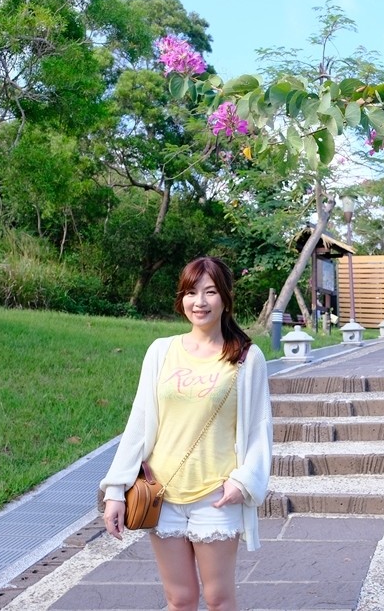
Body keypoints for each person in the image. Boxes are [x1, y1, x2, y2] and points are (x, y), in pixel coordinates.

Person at [100, 256, 272, 611]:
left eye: (210, 292)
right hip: (161, 495)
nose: (200, 301)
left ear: (225, 298)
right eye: (192, 292)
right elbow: (140, 422)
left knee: (218, 599)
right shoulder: (162, 351)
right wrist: (116, 489)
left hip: (215, 495)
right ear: (181, 298)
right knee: (179, 599)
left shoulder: (245, 357)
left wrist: (243, 481)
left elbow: (259, 428)